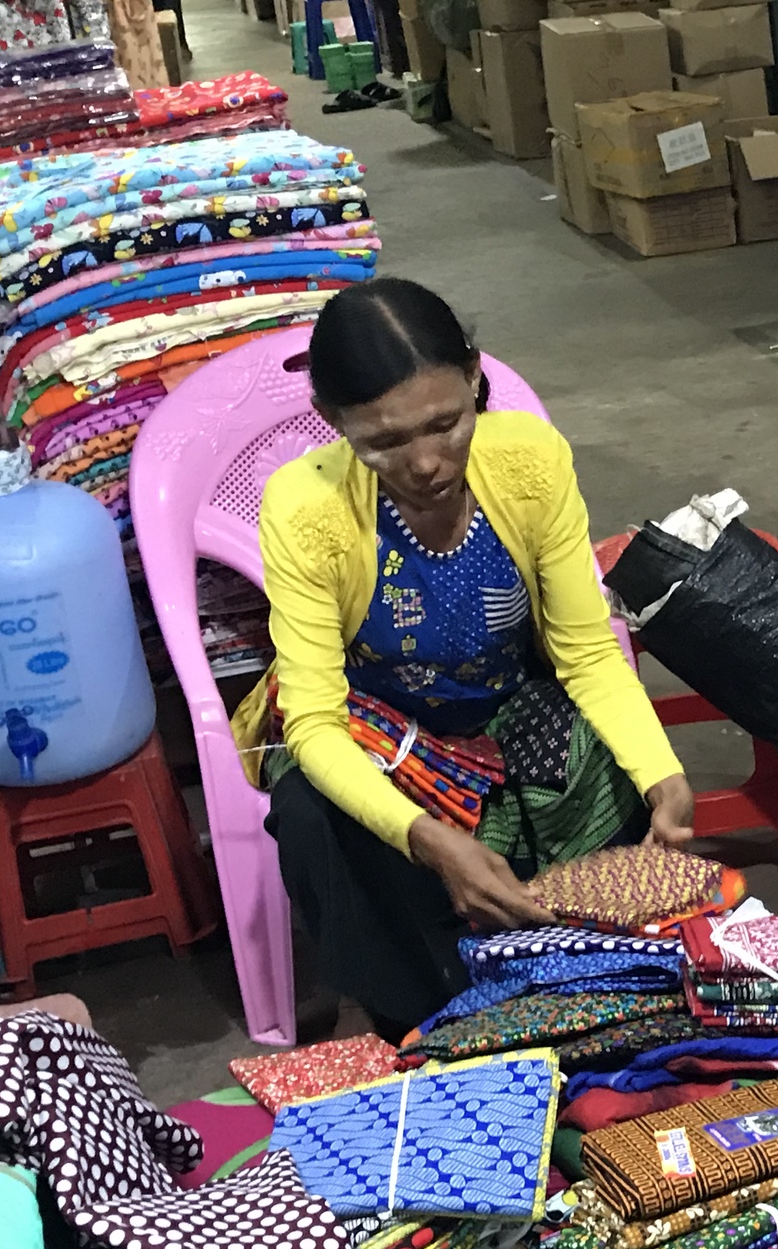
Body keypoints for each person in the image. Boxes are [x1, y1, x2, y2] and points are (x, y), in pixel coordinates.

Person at [247, 279, 693, 1039]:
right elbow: (315, 721)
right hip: (381, 731)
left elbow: (586, 652)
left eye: (446, 424)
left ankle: (597, 996)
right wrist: (426, 836)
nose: (425, 462)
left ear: (476, 378)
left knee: (605, 766)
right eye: (385, 441)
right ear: (332, 420)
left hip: (510, 708)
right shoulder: (305, 507)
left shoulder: (529, 461)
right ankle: (428, 1026)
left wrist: (665, 776)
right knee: (312, 812)